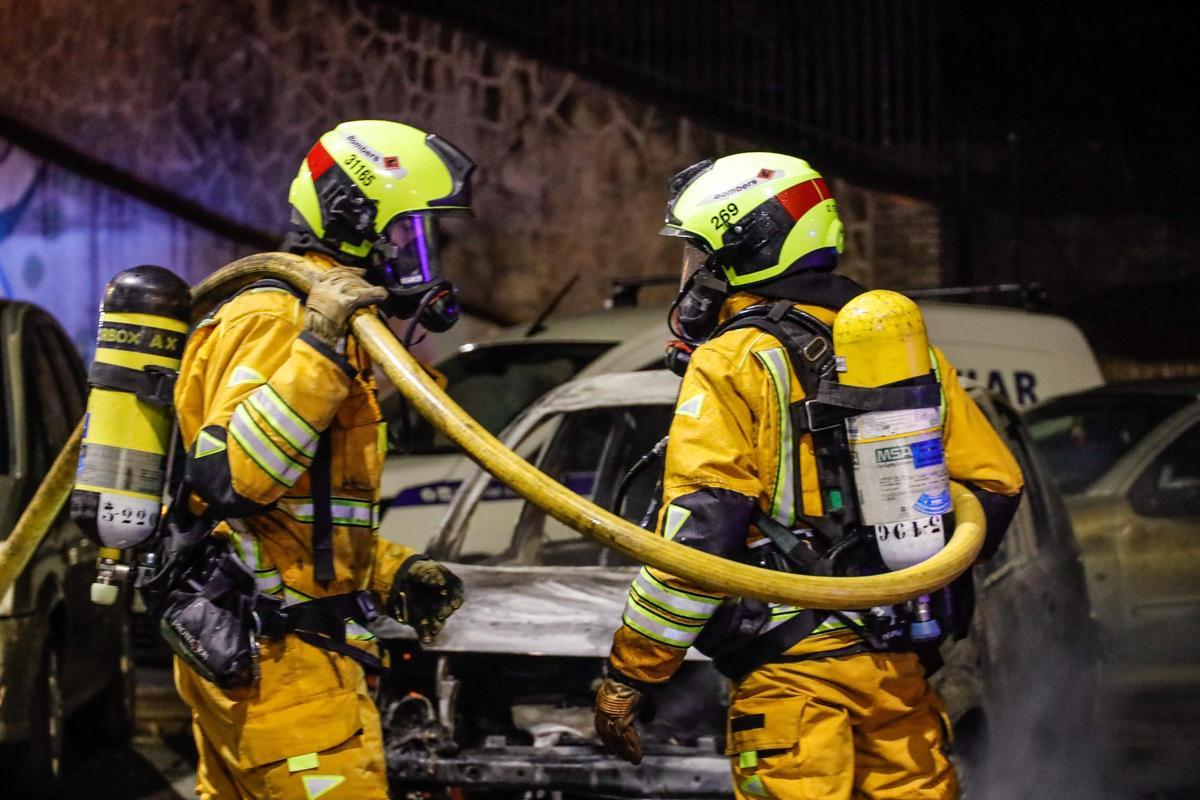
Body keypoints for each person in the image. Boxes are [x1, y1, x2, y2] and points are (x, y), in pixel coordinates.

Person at [593, 152, 1024, 799]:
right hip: (898, 670)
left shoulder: (735, 358)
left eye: (698, 254)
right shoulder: (901, 353)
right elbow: (995, 484)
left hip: (791, 684)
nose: (691, 276)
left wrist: (632, 673)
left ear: (742, 246)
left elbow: (700, 537)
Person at [173, 119, 473, 800]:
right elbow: (234, 481)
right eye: (406, 231)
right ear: (353, 216)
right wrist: (317, 350)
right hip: (283, 670)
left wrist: (393, 569)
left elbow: (297, 512)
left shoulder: (323, 324)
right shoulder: (282, 322)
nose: (415, 252)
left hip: (285, 659)